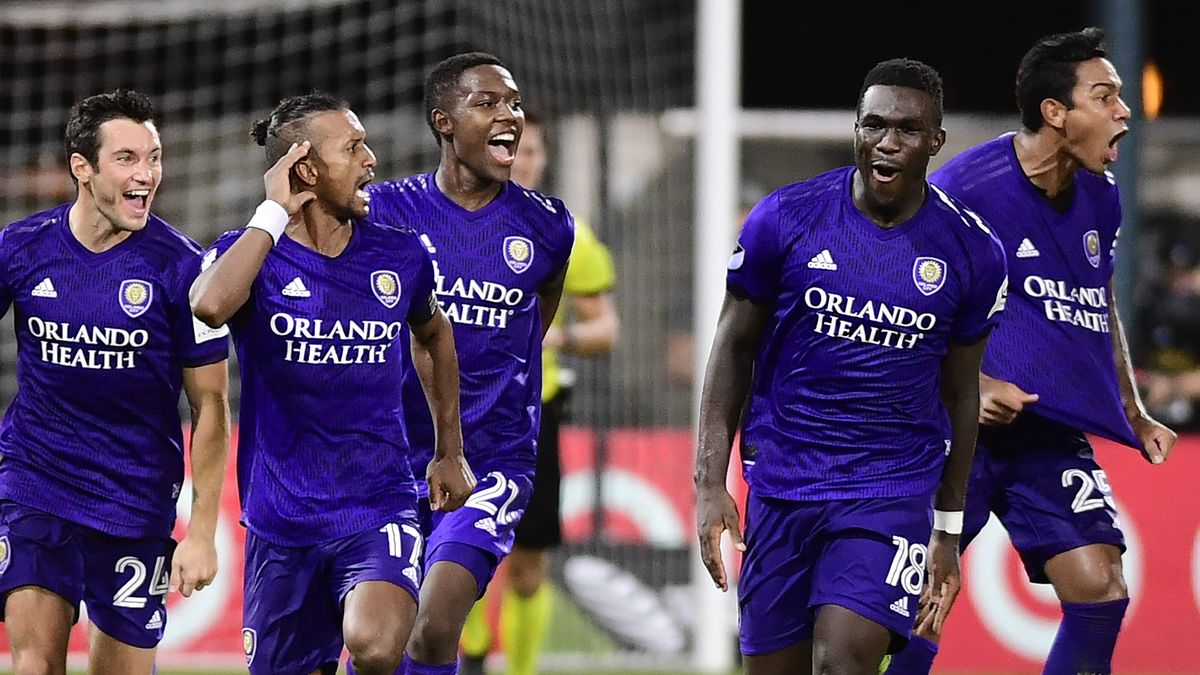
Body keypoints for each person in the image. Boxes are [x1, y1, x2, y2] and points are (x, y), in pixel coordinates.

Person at [695, 59, 1009, 675]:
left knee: (843, 661)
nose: (888, 143)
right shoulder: (785, 219)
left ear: (935, 142)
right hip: (784, 484)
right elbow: (732, 348)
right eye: (875, 126)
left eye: (908, 130)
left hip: (889, 493)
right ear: (856, 130)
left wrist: (946, 530)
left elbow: (960, 393)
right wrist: (709, 481)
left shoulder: (972, 252)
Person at [882, 28, 1177, 675]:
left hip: (1046, 432)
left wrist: (1130, 409)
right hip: (952, 431)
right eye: (1106, 96)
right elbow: (900, 300)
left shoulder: (1101, 196)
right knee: (925, 596)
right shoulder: (967, 190)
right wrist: (975, 383)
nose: (1123, 111)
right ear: (1055, 112)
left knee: (1101, 584)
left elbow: (1098, 306)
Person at [189, 92, 475, 675]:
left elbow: (435, 335)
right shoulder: (250, 257)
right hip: (281, 521)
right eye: (353, 147)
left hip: (378, 505)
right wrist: (271, 213)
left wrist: (450, 450)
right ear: (307, 169)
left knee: (373, 643)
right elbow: (210, 306)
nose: (370, 159)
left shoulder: (400, 254)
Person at [0, 89, 231, 675]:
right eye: (127, 158)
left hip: (135, 501)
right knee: (33, 666)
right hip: (35, 482)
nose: (146, 174)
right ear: (83, 168)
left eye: (153, 157)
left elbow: (209, 403)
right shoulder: (22, 248)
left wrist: (202, 529)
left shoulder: (182, 267)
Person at [362, 53, 575, 675]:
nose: (508, 115)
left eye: (512, 103)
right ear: (444, 122)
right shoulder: (386, 212)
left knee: (433, 625)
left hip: (494, 462)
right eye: (487, 103)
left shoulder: (548, 227)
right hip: (389, 463)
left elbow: (534, 327)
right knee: (374, 643)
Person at [458, 112, 619, 675]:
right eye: (511, 150)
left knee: (526, 563)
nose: (520, 161)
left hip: (531, 416)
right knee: (454, 552)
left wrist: (558, 334)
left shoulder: (562, 229)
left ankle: (519, 669)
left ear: (542, 160)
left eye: (530, 153)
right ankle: (472, 654)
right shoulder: (448, 220)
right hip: (449, 414)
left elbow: (605, 327)